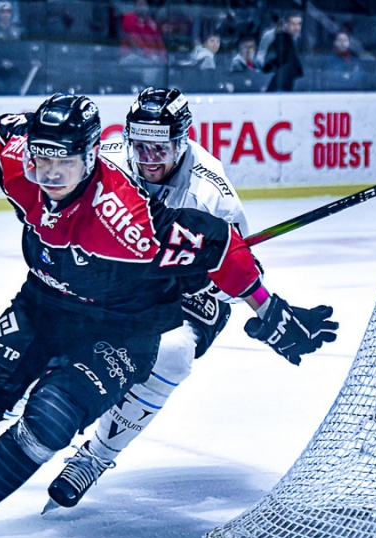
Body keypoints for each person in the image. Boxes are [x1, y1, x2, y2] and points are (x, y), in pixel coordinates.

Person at [0, 93, 338, 538]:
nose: (50, 174)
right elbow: (1, 135)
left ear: (88, 159)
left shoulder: (131, 221)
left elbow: (221, 247)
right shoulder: (29, 166)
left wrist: (267, 309)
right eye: (43, 158)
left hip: (125, 327)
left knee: (51, 421)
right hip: (47, 300)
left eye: (63, 162)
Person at [43, 88, 254, 512]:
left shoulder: (211, 193)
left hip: (182, 289)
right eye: (140, 146)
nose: (148, 159)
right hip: (114, 274)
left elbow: (237, 272)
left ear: (182, 142)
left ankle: (96, 456)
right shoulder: (107, 161)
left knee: (174, 351)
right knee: (49, 328)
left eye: (160, 149)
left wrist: (205, 280)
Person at [262, 13, 304, 92]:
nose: (296, 27)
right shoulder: (282, 38)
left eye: (299, 24)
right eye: (293, 24)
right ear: (286, 25)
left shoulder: (300, 43)